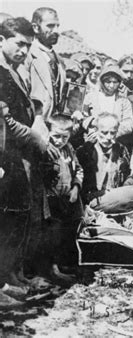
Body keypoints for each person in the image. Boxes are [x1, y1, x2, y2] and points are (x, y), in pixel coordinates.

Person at [0, 16, 54, 305]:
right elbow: (6, 122)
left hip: (18, 155)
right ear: (1, 40)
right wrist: (35, 137)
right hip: (6, 153)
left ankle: (12, 276)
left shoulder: (16, 70)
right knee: (6, 220)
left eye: (28, 46)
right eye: (19, 44)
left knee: (18, 218)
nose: (24, 50)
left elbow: (26, 108)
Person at [42, 115, 84, 283]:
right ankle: (51, 269)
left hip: (68, 199)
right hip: (51, 199)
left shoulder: (69, 149)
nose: (60, 141)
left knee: (69, 231)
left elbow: (78, 169)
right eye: (56, 136)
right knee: (53, 233)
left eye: (64, 137)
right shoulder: (46, 150)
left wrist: (76, 186)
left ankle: (64, 263)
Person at [76, 113, 130, 203]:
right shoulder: (84, 151)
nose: (108, 137)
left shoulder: (122, 151)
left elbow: (126, 177)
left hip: (114, 199)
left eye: (113, 133)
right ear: (96, 130)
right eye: (104, 132)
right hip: (89, 201)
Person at [25, 7, 66, 119]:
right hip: (33, 126)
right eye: (50, 26)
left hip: (55, 128)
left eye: (58, 26)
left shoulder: (60, 61)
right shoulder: (27, 56)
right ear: (36, 28)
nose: (56, 31)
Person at [83, 64, 133, 145]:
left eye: (115, 82)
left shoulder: (124, 101)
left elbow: (128, 124)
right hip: (92, 138)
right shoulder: (90, 97)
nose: (111, 85)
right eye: (108, 82)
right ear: (102, 82)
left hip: (115, 140)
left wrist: (109, 135)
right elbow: (84, 117)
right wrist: (93, 126)